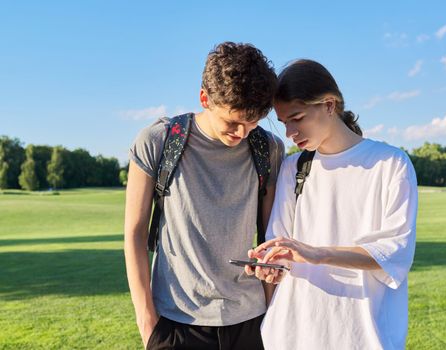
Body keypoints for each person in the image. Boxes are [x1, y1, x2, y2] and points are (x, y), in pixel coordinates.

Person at [247, 59, 418, 349]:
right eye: (284, 122)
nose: (289, 132)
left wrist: (316, 253)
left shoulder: (390, 163)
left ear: (329, 105)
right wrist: (270, 264)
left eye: (297, 117)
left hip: (363, 338)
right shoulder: (292, 168)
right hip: (292, 336)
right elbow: (283, 251)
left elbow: (394, 253)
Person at [124, 42, 284, 350]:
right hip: (176, 322)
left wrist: (270, 312)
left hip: (250, 321)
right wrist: (147, 324)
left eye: (253, 122)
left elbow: (271, 236)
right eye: (232, 122)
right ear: (204, 98)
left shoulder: (269, 148)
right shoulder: (158, 141)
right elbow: (134, 234)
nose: (242, 133)